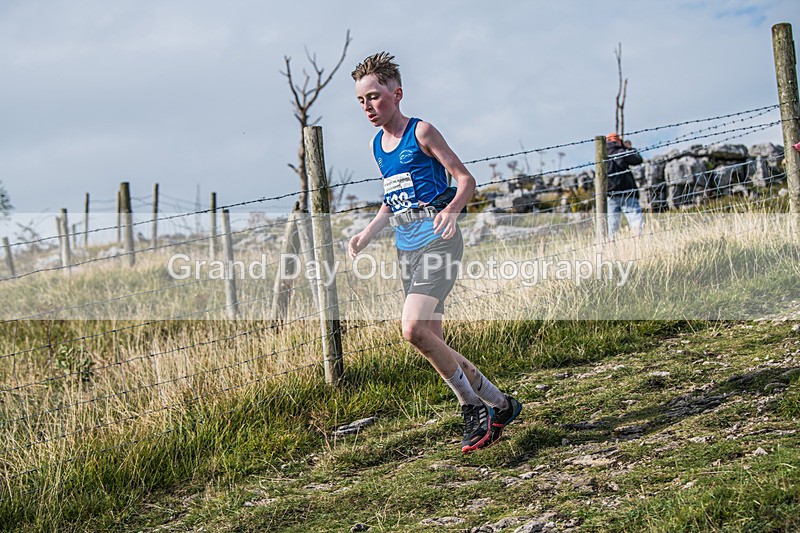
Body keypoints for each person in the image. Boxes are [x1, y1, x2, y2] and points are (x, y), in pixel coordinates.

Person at [348, 52, 522, 453]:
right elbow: (392, 199)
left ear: (397, 94)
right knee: (432, 342)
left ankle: (472, 409)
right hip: (406, 248)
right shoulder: (378, 145)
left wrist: (452, 210)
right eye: (361, 101)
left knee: (412, 330)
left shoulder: (422, 132)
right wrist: (368, 232)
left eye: (374, 97)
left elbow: (465, 179)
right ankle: (500, 404)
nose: (368, 107)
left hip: (439, 240)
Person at [605, 132, 644, 241]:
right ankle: (638, 243)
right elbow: (638, 160)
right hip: (627, 192)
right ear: (618, 141)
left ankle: (610, 246)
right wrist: (629, 148)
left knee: (611, 226)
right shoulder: (622, 152)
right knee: (636, 221)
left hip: (610, 194)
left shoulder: (602, 154)